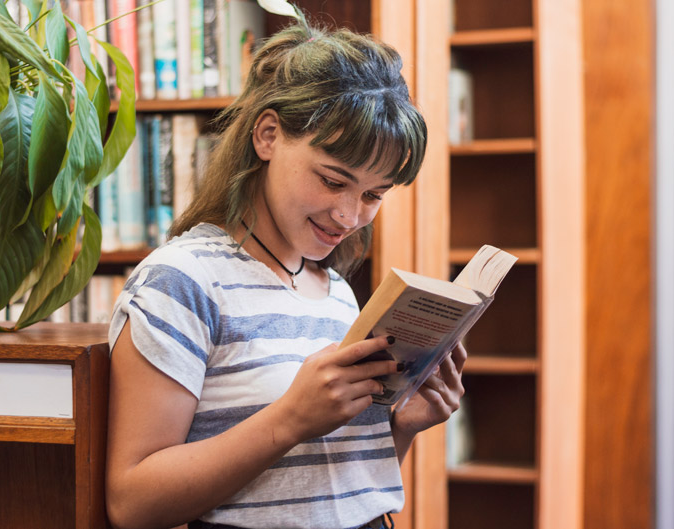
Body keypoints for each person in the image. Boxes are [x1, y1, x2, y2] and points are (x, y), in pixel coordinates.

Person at [105, 15, 466, 529]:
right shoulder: (183, 281)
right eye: (333, 180)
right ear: (268, 135)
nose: (349, 215)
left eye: (373, 195)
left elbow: (330, 497)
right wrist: (291, 418)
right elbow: (132, 503)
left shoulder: (337, 293)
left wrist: (400, 429)